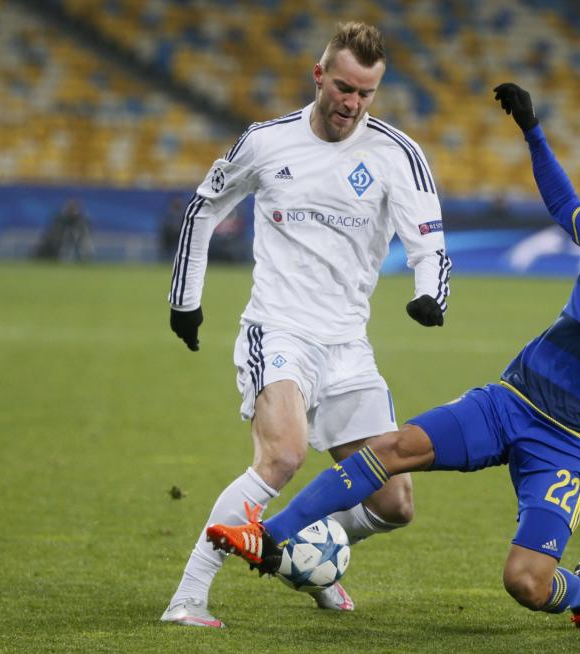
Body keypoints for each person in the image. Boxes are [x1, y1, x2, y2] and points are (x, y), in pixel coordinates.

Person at [203, 82, 580, 631]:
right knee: (392, 448)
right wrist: (532, 130)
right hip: (511, 400)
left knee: (526, 584)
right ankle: (269, 536)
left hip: (571, 442)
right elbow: (564, 203)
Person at [161, 22, 452, 628]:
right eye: (344, 87)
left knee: (394, 501)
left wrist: (431, 296)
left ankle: (294, 549)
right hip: (280, 329)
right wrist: (185, 298)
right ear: (319, 76)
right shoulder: (266, 142)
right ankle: (188, 597)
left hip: (349, 346)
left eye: (366, 94)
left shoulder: (397, 155)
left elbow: (429, 245)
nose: (352, 103)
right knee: (285, 455)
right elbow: (204, 207)